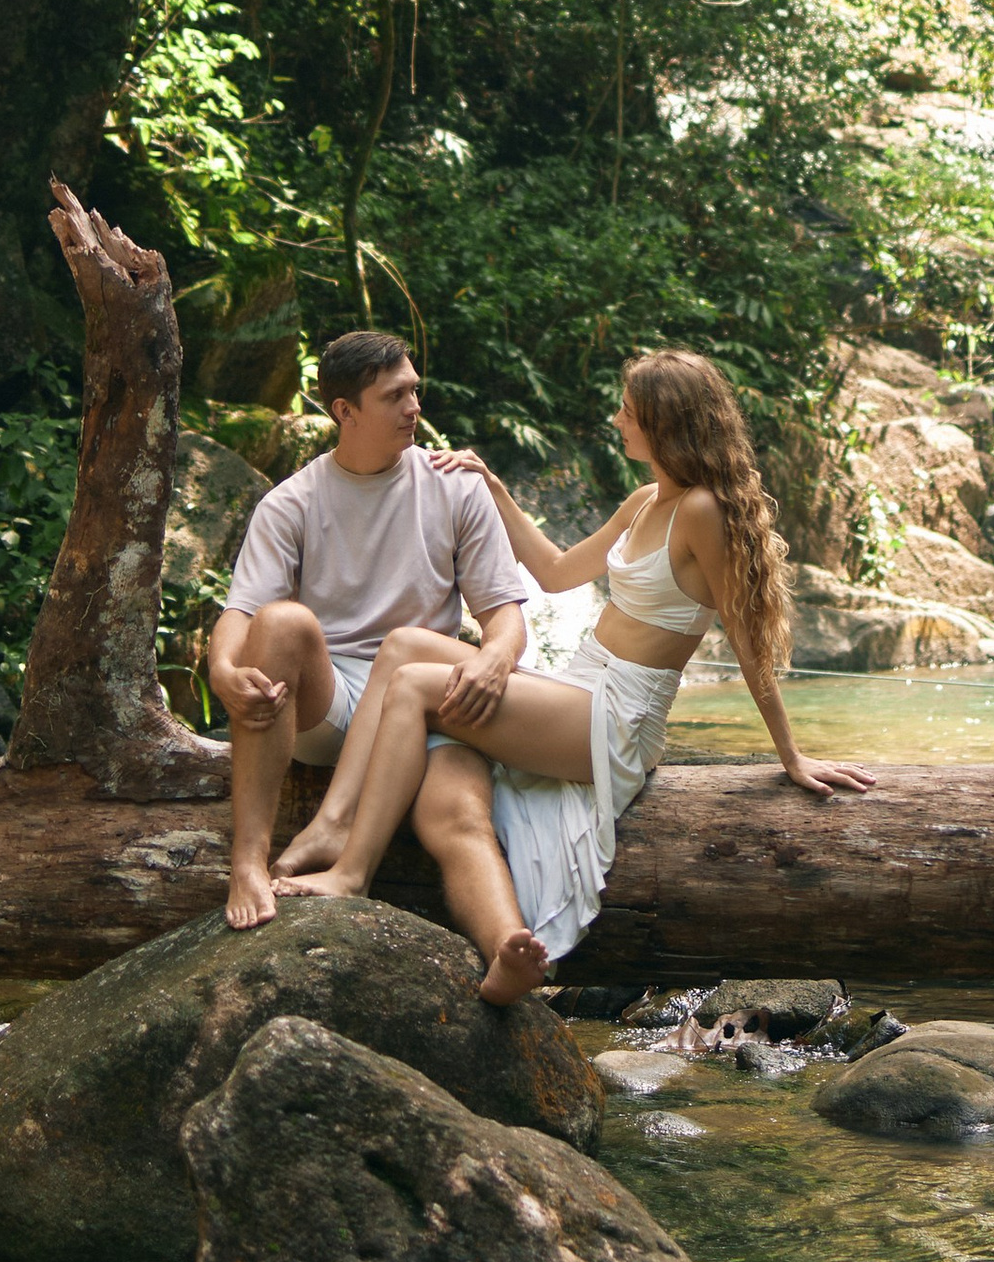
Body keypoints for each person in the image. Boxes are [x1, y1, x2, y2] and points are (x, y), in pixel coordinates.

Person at [274, 344, 873, 1002]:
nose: (617, 420)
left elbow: (748, 638)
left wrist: (790, 755)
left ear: (664, 423)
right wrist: (493, 488)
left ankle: (351, 871)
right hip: (577, 686)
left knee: (416, 682)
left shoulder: (700, 511)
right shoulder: (646, 501)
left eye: (628, 411)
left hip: (617, 716)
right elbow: (556, 573)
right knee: (403, 649)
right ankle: (349, 835)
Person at [206, 328, 527, 935]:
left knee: (458, 814)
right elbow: (242, 612)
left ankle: (513, 949)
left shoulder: (455, 485)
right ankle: (248, 863)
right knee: (282, 621)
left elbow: (505, 612)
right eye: (395, 397)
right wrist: (224, 670)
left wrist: (497, 659)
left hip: (423, 702)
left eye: (415, 391)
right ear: (344, 412)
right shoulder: (290, 503)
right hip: (330, 705)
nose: (415, 408)